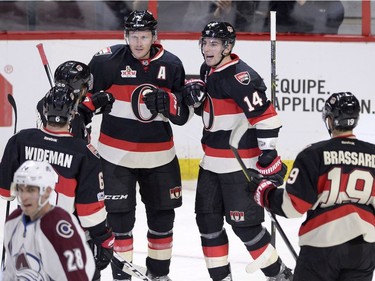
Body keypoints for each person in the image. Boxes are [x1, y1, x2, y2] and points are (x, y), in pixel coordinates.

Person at [87, 10, 191, 281]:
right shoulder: (105, 61)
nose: (139, 42)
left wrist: (170, 101)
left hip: (160, 160)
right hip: (115, 159)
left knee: (162, 222)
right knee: (120, 225)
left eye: (144, 36)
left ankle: (159, 275)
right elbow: (83, 104)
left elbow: (183, 115)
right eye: (134, 36)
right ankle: (123, 277)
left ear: (154, 36)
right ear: (126, 36)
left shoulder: (172, 64)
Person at [185, 21, 292, 281]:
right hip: (210, 165)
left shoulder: (241, 76)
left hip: (239, 167)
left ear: (227, 47)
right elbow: (212, 112)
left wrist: (267, 157)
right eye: (205, 42)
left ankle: (279, 275)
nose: (208, 48)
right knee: (208, 226)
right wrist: (196, 98)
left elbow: (267, 119)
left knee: (246, 228)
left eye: (215, 43)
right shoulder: (207, 70)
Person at [253, 92, 375, 281]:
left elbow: (292, 207)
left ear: (330, 121)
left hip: (321, 245)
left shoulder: (313, 154)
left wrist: (265, 193)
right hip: (364, 249)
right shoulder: (373, 155)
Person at [0, 84, 114, 281]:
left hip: (25, 237)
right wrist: (104, 239)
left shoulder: (20, 140)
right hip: (62, 238)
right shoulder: (84, 152)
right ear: (72, 114)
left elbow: (5, 192)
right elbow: (89, 213)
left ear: (44, 111)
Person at [2, 160, 96, 280]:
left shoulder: (59, 225)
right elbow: (10, 273)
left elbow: (77, 277)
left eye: (31, 190)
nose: (24, 196)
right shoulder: (13, 221)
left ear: (47, 192)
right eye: (21, 189)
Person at [36, 60, 115, 142]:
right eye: (85, 86)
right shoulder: (74, 124)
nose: (86, 91)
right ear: (79, 89)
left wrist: (88, 109)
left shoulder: (47, 104)